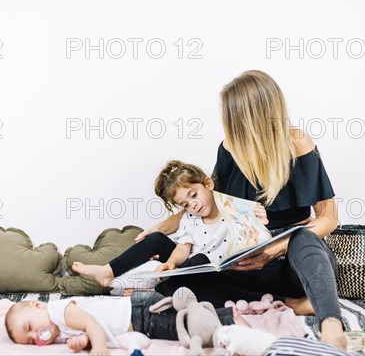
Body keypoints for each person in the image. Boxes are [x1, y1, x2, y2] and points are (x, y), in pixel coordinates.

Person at [135, 70, 347, 350]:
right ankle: (286, 304)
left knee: (303, 238)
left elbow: (329, 218)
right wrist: (158, 229)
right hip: (246, 258)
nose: (227, 125)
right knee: (179, 281)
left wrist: (272, 250)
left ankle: (330, 324)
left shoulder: (298, 143)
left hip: (292, 259)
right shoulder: (228, 148)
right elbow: (208, 204)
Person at [72, 160, 269, 286]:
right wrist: (171, 263)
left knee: (200, 260)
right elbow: (183, 249)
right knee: (157, 239)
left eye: (194, 195)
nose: (193, 205)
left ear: (208, 184)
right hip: (189, 267)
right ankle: (108, 271)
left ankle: (160, 290)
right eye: (185, 204)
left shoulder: (234, 208)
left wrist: (258, 221)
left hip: (218, 272)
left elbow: (254, 237)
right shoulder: (190, 218)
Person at [4, 290, 242, 355]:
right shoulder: (58, 328)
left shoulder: (58, 310)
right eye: (32, 340)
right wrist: (82, 343)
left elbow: (92, 325)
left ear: (37, 305)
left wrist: (98, 347)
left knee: (184, 328)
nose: (37, 335)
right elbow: (88, 331)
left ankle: (229, 318)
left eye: (30, 327)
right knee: (185, 322)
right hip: (139, 318)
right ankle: (225, 315)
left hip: (140, 315)